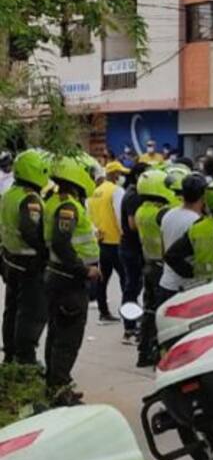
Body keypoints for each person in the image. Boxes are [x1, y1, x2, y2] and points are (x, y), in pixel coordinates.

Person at [43, 155, 102, 405]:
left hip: (58, 275)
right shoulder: (68, 207)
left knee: (57, 333)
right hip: (69, 279)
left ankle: (54, 384)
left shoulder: (55, 200)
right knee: (67, 338)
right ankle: (60, 389)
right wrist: (84, 270)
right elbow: (61, 242)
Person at [0, 149, 50, 365]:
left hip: (10, 260)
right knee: (31, 313)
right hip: (30, 264)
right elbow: (31, 232)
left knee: (12, 310)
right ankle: (25, 359)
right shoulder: (30, 199)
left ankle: (10, 355)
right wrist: (47, 251)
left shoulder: (9, 194)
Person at [131, 169, 175, 366]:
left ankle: (144, 351)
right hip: (161, 267)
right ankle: (158, 350)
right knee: (163, 311)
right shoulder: (161, 212)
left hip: (149, 263)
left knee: (149, 309)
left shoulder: (142, 210)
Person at [87, 161, 127, 324]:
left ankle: (104, 312)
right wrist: (125, 234)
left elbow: (90, 217)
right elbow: (119, 215)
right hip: (116, 241)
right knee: (126, 280)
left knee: (102, 280)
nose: (121, 176)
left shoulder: (95, 192)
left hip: (101, 241)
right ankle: (129, 314)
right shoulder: (116, 191)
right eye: (120, 173)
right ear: (114, 174)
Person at [157, 174, 209, 299]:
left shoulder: (168, 215)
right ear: (204, 195)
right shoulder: (198, 222)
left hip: (166, 283)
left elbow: (163, 250)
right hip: (188, 288)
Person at [117, 163, 146, 345]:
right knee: (132, 288)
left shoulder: (132, 193)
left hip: (131, 248)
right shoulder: (134, 196)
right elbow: (133, 224)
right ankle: (129, 328)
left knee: (134, 287)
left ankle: (132, 324)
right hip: (131, 248)